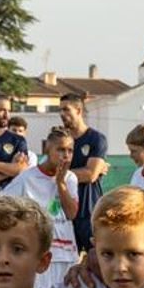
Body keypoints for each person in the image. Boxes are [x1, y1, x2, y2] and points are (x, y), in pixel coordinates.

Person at [0, 128, 79, 288]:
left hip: (67, 255)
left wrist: (60, 183)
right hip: (43, 256)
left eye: (70, 150)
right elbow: (1, 202)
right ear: (47, 150)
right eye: (61, 149)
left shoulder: (70, 178)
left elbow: (71, 213)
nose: (66, 155)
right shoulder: (27, 177)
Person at [59, 93, 108, 253]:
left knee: (96, 257)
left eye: (66, 110)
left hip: (88, 210)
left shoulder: (96, 139)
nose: (62, 114)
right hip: (63, 211)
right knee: (65, 259)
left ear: (78, 110)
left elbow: (91, 174)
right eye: (60, 110)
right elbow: (52, 170)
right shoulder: (60, 140)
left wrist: (62, 175)